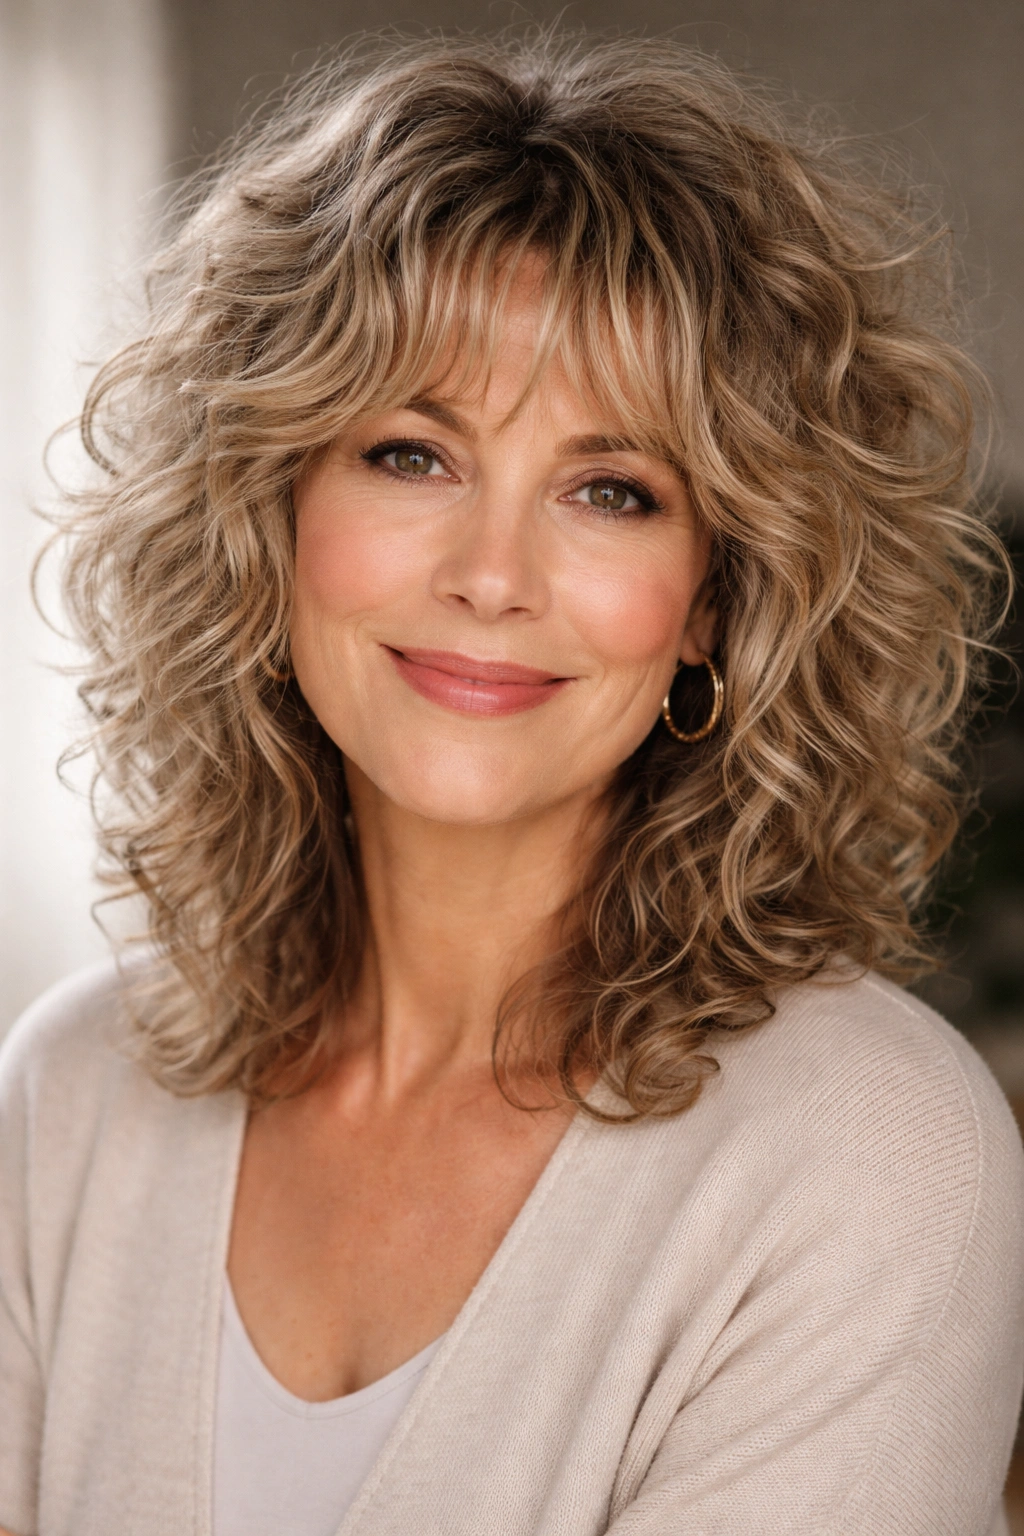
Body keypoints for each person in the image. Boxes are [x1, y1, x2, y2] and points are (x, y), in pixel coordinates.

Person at [1, 30, 1022, 1536]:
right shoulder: (71, 1096)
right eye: (412, 454)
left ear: (722, 600)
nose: (491, 575)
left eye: (613, 492)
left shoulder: (874, 1156)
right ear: (265, 513)